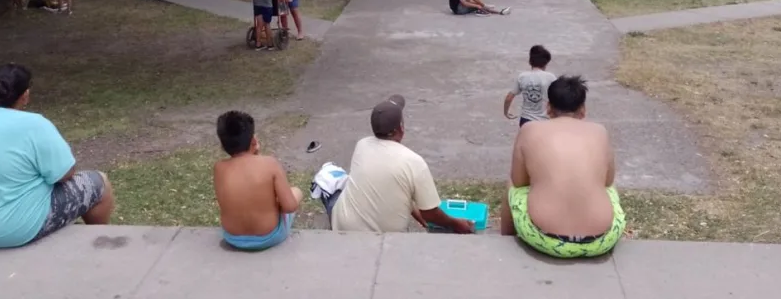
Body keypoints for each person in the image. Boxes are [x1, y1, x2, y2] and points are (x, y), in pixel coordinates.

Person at [0, 64, 115, 248]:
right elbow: (65, 174)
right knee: (99, 182)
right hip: (8, 231)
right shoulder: (35, 124)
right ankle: (101, 246)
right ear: (25, 95)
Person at [501, 75, 625, 258]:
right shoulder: (600, 131)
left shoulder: (529, 129)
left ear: (548, 108)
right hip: (602, 240)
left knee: (510, 184)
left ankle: (506, 240)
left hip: (544, 238)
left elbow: (519, 182)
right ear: (583, 110)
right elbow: (608, 181)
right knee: (609, 189)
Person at [324, 95, 475, 234]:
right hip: (381, 243)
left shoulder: (362, 145)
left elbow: (391, 187)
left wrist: (417, 212)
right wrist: (456, 223)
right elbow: (430, 214)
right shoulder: (414, 162)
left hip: (341, 229)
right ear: (401, 128)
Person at [214, 110, 302, 251]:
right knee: (296, 191)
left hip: (232, 237)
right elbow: (290, 207)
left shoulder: (219, 168)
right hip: (269, 237)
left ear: (223, 145)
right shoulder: (270, 163)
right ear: (254, 141)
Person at [504, 45, 557, 127]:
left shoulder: (522, 77)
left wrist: (506, 112)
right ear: (546, 63)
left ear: (530, 61)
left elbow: (509, 97)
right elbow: (558, 98)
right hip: (544, 120)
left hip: (526, 120)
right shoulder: (551, 77)